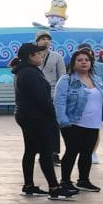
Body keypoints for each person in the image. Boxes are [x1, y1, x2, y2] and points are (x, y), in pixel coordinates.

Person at [12, 42, 76, 199]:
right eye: (38, 54)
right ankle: (54, 188)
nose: (41, 56)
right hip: (35, 117)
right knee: (46, 152)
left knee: (31, 150)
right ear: (30, 56)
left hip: (26, 115)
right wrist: (53, 116)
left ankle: (29, 185)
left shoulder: (25, 71)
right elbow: (42, 99)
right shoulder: (30, 73)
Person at [54, 46, 103, 192]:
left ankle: (83, 180)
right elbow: (59, 101)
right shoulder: (66, 79)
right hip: (73, 123)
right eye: (80, 60)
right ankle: (65, 181)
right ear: (73, 63)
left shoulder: (97, 79)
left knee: (87, 152)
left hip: (93, 123)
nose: (84, 62)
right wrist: (63, 121)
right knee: (72, 151)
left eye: (87, 60)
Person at [34, 30, 65, 164]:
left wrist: (60, 96)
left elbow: (62, 77)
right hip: (35, 96)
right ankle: (41, 152)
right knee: (37, 125)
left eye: (48, 39)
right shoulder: (32, 56)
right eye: (43, 39)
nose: (46, 41)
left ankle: (54, 153)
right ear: (37, 41)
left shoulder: (57, 57)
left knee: (53, 125)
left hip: (52, 95)